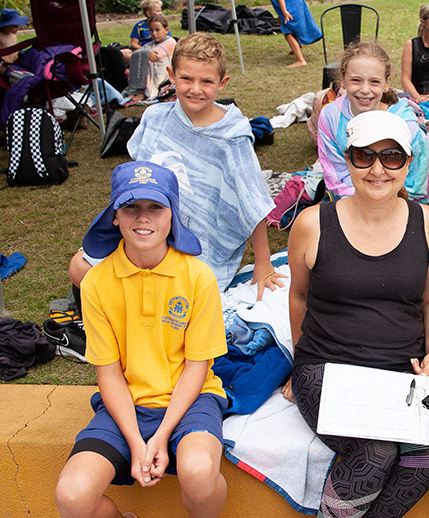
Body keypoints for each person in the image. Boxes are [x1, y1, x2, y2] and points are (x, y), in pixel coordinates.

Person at [286, 110, 429, 518]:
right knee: (375, 450)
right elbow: (298, 296)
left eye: (391, 156)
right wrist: (301, 360)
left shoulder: (428, 223)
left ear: (409, 164)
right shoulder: (313, 223)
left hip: (398, 371)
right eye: (365, 156)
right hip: (326, 369)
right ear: (347, 159)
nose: (377, 169)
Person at [54, 161, 229, 518]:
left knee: (199, 470)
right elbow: (108, 373)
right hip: (124, 405)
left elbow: (197, 366)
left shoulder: (198, 276)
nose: (144, 218)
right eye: (131, 208)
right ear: (114, 215)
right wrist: (137, 441)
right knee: (72, 497)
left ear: (173, 215)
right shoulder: (96, 283)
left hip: (190, 400)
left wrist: (162, 434)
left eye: (156, 207)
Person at [69, 32, 281, 313]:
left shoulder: (233, 136)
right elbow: (136, 181)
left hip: (200, 247)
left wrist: (264, 263)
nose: (196, 89)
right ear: (171, 75)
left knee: (182, 300)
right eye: (186, 79)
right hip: (146, 231)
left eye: (206, 81)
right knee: (78, 269)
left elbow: (253, 201)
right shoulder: (155, 118)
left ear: (222, 83)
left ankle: (128, 305)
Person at [317, 40, 429, 203]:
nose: (365, 90)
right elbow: (335, 173)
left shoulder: (407, 127)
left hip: (397, 205)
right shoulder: (330, 117)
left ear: (386, 83)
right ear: (342, 80)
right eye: (356, 80)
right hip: (351, 201)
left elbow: (417, 184)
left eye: (374, 82)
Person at [123, 14, 176, 102]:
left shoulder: (171, 42)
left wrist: (146, 53)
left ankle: (143, 92)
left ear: (166, 30)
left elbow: (156, 56)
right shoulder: (152, 44)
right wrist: (147, 53)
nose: (154, 33)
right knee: (141, 57)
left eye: (157, 30)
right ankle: (137, 90)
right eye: (151, 30)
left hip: (164, 75)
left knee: (150, 63)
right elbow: (137, 53)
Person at [271, 0, 322, 68]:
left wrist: (284, 11)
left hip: (290, 6)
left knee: (288, 32)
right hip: (296, 3)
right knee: (280, 20)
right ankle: (297, 44)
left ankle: (301, 60)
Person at [0, 8, 29, 78]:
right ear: (5, 25)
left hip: (16, 63)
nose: (18, 28)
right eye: (15, 26)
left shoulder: (12, 34)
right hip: (3, 66)